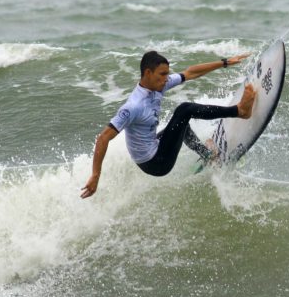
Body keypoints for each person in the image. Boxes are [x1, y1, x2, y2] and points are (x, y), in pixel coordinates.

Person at [80, 50, 256, 199]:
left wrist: (224, 62)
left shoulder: (157, 86)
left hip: (153, 147)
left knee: (181, 125)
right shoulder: (133, 107)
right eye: (162, 74)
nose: (166, 78)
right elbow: (103, 138)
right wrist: (95, 176)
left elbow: (190, 73)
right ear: (148, 73)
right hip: (156, 163)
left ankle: (208, 156)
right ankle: (240, 111)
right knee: (184, 110)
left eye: (167, 74)